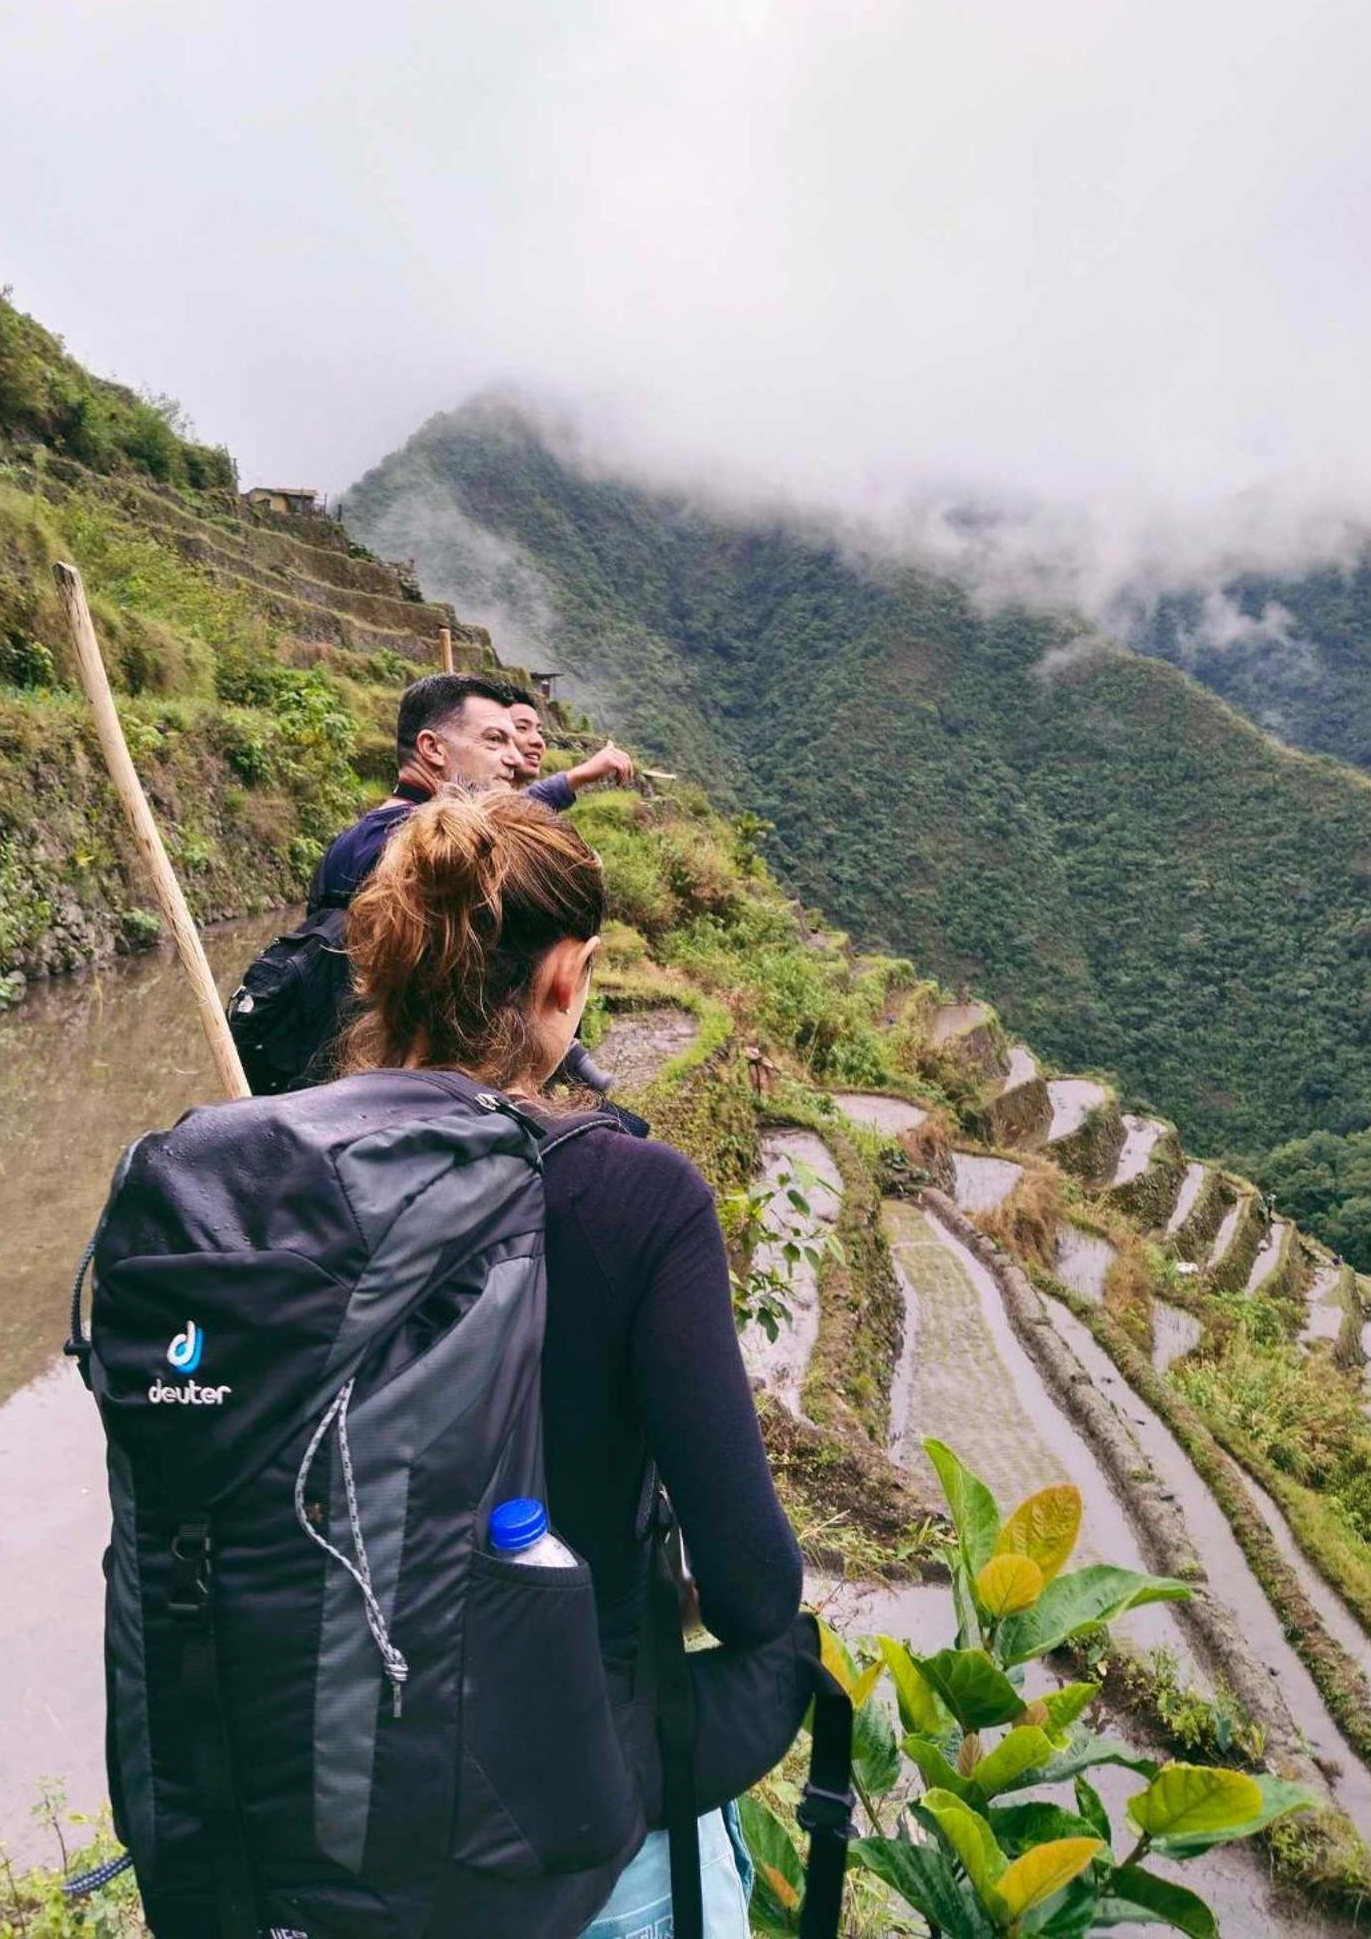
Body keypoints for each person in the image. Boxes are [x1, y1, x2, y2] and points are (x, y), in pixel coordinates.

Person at [340, 788, 807, 1936]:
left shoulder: (269, 1178)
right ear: (566, 978)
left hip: (323, 1798)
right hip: (574, 1845)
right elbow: (756, 1592)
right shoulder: (635, 1196)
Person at [229, 673, 624, 1093]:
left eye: (515, 741)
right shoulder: (416, 858)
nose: (513, 758)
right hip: (394, 1093)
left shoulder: (365, 839)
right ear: (432, 748)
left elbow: (513, 817)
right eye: (495, 741)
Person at [506, 689, 635, 801]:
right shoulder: (487, 811)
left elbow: (525, 801)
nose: (538, 741)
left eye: (539, 732)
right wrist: (581, 773)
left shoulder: (517, 804)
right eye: (522, 727)